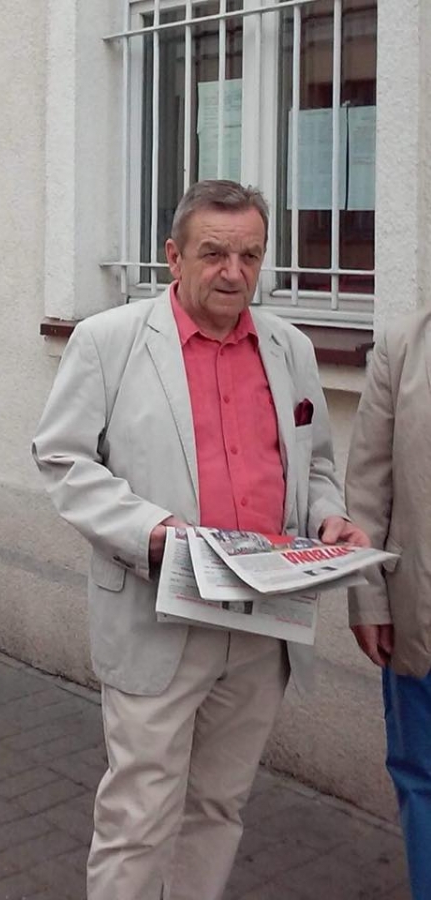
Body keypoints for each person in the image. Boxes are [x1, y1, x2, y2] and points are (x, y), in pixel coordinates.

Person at [33, 179, 368, 900]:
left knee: (217, 807)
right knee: (138, 815)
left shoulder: (289, 347)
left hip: (263, 623)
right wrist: (148, 531)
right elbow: (62, 457)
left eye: (251, 255)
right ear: (173, 255)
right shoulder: (109, 341)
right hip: (161, 614)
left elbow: (312, 464)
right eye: (214, 253)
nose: (234, 273)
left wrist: (326, 519)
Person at [345, 310, 431, 900]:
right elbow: (368, 489)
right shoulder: (404, 348)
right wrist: (369, 597)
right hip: (419, 616)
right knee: (421, 776)